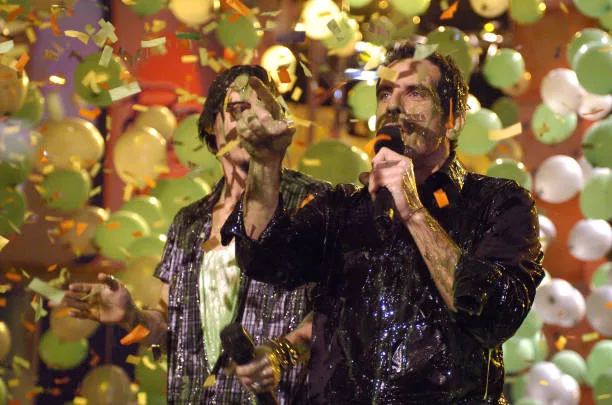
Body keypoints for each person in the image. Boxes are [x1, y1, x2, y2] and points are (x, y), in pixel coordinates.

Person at [223, 41, 545, 404]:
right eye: (385, 92)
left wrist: (412, 209)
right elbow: (264, 259)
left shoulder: (498, 203)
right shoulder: (341, 209)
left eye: (416, 93)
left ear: (452, 119)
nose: (393, 105)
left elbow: (495, 315)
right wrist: (265, 166)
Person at [58, 65, 329, 404]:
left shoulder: (315, 201)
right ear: (210, 125)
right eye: (237, 110)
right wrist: (132, 315)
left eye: (262, 110)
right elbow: (167, 331)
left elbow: (335, 314)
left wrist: (282, 353)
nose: (250, 123)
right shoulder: (189, 222)